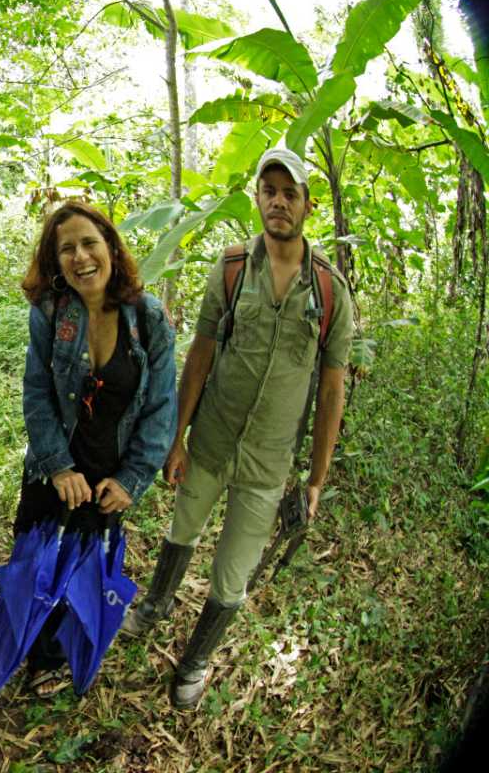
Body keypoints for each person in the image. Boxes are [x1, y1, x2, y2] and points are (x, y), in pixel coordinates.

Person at [121, 147, 354, 710]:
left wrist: (316, 479)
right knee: (184, 529)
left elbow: (330, 391)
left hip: (268, 463)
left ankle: (196, 658)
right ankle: (156, 604)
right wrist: (175, 439)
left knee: (233, 573)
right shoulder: (229, 269)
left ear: (307, 205)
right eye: (268, 190)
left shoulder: (329, 291)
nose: (278, 201)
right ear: (258, 200)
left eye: (289, 192)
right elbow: (199, 355)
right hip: (213, 439)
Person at [15, 201, 177, 695]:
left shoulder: (147, 318)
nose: (81, 257)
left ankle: (69, 656)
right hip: (55, 471)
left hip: (109, 474)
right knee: (37, 565)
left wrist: (133, 479)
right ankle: (39, 658)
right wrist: (58, 466)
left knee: (86, 571)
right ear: (54, 260)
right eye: (66, 249)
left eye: (89, 243)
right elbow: (37, 391)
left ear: (110, 246)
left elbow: (162, 406)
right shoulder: (51, 313)